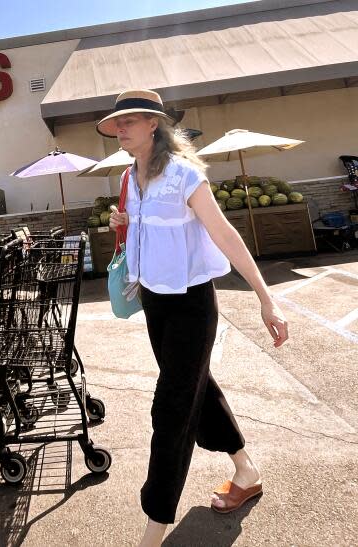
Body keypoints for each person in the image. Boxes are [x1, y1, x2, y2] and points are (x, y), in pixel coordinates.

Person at [98, 89, 289, 547]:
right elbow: (144, 234)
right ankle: (246, 469)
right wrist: (123, 225)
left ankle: (154, 527)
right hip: (154, 303)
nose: (120, 128)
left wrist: (267, 298)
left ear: (153, 126)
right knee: (196, 388)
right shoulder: (129, 177)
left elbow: (224, 233)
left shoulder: (183, 175)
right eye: (117, 123)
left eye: (130, 121)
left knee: (171, 407)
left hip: (191, 303)